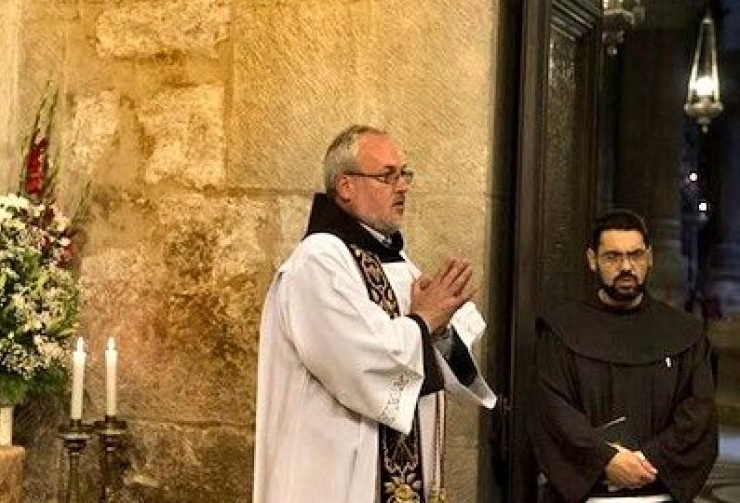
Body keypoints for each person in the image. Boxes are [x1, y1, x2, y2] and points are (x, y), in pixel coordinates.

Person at [253, 125, 496, 503]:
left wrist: (442, 328)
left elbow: (432, 358)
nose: (403, 187)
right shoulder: (319, 262)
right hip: (334, 481)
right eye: (387, 176)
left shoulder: (396, 263)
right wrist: (425, 321)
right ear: (346, 186)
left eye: (404, 174)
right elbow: (360, 361)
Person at [531, 209, 718, 503]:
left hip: (659, 492)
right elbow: (554, 411)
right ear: (593, 260)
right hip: (584, 495)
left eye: (636, 255)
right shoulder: (560, 330)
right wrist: (606, 460)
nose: (626, 266)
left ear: (650, 257)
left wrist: (644, 460)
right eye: (612, 257)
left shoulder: (686, 333)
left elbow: (698, 414)